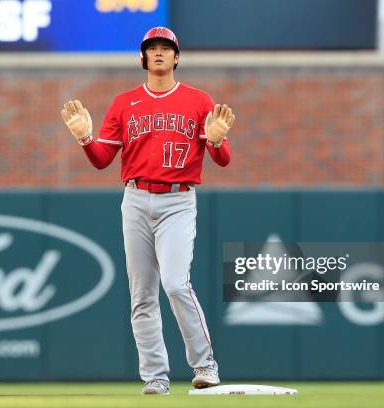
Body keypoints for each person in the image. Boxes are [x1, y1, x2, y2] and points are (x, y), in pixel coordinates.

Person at [60, 27, 235, 395]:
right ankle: (156, 376)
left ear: (176, 57)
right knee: (141, 294)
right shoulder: (124, 103)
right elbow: (101, 160)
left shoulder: (198, 100)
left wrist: (216, 140)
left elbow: (223, 160)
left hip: (178, 199)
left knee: (175, 283)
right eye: (152, 48)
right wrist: (85, 139)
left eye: (165, 48)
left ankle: (205, 365)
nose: (158, 53)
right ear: (143, 58)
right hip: (136, 198)